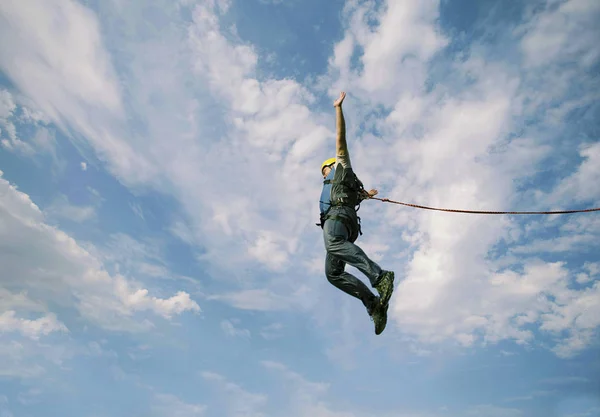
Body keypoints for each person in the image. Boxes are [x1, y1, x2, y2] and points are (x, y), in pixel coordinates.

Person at [317, 91, 395, 335]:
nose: (323, 173)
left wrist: (337, 108)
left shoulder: (341, 165)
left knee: (332, 245)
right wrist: (368, 194)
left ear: (332, 165)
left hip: (338, 219)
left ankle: (379, 276)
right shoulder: (347, 184)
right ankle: (374, 305)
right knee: (333, 273)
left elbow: (341, 139)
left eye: (324, 169)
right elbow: (358, 196)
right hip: (344, 223)